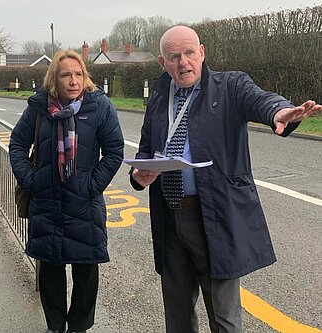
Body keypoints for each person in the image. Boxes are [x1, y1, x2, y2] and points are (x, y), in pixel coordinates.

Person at [129, 25, 321, 333]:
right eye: (174, 56)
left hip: (214, 215)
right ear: (163, 64)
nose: (184, 62)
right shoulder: (158, 97)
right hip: (169, 217)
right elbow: (145, 152)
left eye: (190, 53)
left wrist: (280, 112)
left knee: (224, 317)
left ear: (202, 53)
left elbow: (261, 100)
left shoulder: (230, 86)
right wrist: (140, 174)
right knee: (177, 316)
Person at [9, 50, 124, 333]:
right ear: (54, 80)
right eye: (66, 75)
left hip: (83, 203)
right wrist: (32, 181)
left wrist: (91, 185)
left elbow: (114, 150)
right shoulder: (38, 108)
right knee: (50, 269)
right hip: (47, 202)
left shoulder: (99, 106)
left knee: (86, 270)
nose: (73, 81)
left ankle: (79, 327)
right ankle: (55, 326)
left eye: (78, 74)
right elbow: (17, 145)